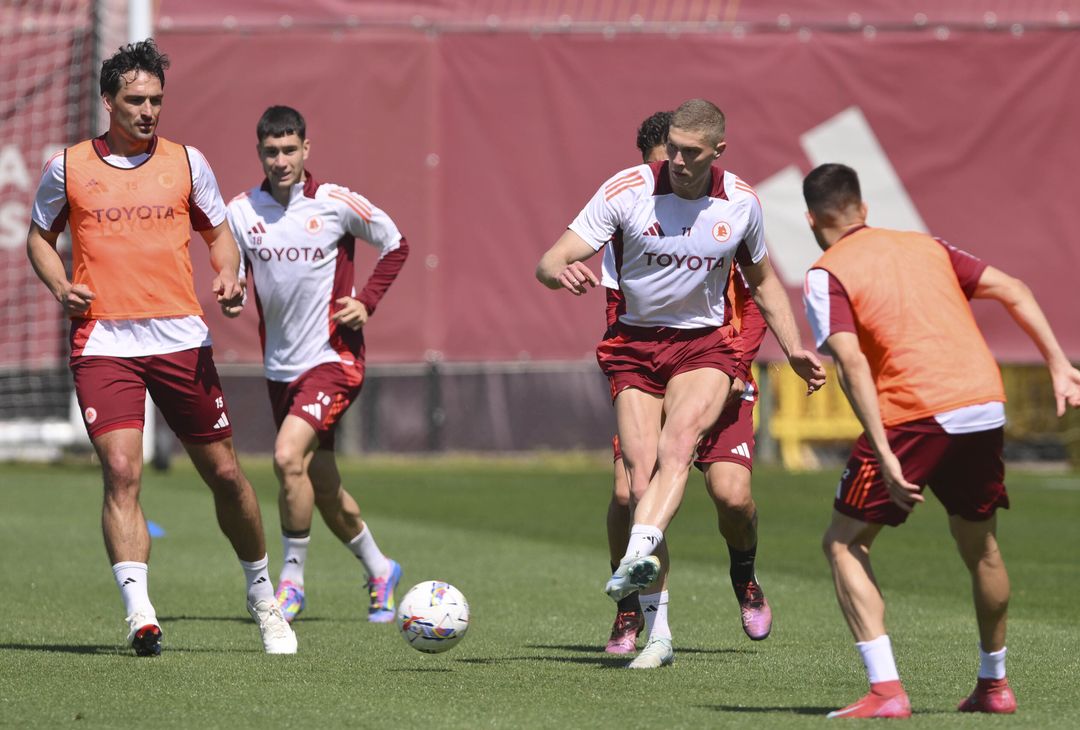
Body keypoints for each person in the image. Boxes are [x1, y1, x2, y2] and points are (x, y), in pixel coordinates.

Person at [25, 40, 296, 656]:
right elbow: (38, 237)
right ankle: (140, 613)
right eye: (136, 100)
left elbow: (218, 234)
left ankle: (262, 596)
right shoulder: (67, 167)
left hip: (179, 337)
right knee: (121, 472)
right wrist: (60, 284)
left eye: (156, 101)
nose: (148, 111)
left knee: (225, 474)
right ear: (108, 101)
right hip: (104, 341)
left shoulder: (187, 162)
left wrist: (230, 276)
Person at [537, 98, 825, 669]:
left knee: (723, 489)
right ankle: (657, 633)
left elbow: (764, 282)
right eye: (671, 147)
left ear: (717, 152)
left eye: (690, 152)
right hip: (636, 349)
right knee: (636, 485)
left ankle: (714, 573)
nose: (676, 160)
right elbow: (551, 258)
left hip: (707, 347)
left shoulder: (740, 203)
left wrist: (794, 346)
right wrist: (558, 271)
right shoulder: (625, 190)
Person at [801, 163, 1080, 718]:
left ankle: (886, 691)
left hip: (915, 411)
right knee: (981, 547)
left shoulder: (825, 272)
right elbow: (1015, 289)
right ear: (864, 208)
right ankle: (994, 685)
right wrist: (1059, 364)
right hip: (982, 401)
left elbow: (852, 363)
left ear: (811, 219)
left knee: (843, 542)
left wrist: (881, 452)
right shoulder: (927, 245)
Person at [226, 106, 407, 624]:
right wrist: (233, 291)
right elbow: (233, 271)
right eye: (271, 151)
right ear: (259, 152)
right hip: (279, 368)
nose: (281, 160)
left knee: (286, 458)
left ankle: (292, 584)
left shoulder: (334, 202)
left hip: (334, 358)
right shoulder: (243, 211)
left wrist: (367, 301)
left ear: (307, 149)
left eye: (290, 150)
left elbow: (396, 243)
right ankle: (380, 568)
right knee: (319, 484)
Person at [602, 111, 772, 657]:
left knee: (732, 496)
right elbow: (617, 312)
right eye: (662, 163)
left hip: (716, 369)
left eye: (683, 159)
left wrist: (733, 367)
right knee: (630, 489)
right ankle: (638, 616)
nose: (672, 176)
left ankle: (744, 574)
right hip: (650, 373)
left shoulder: (728, 213)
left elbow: (762, 297)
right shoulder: (631, 214)